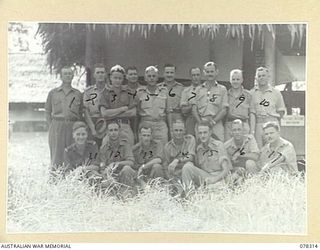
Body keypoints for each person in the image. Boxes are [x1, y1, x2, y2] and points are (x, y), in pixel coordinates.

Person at [45, 65, 83, 167]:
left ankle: (72, 177)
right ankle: (55, 178)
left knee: (72, 151)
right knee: (57, 153)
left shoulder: (78, 94)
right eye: (65, 74)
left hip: (73, 126)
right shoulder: (53, 93)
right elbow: (47, 111)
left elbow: (81, 112)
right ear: (61, 76)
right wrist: (52, 126)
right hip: (57, 125)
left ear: (73, 76)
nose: (67, 76)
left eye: (69, 74)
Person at [181, 120, 231, 188]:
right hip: (206, 177)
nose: (202, 135)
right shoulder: (199, 149)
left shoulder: (218, 145)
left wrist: (214, 179)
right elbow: (199, 169)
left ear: (210, 132)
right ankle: (189, 194)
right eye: (200, 133)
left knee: (212, 187)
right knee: (187, 166)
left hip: (219, 178)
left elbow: (226, 170)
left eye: (205, 133)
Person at [99, 65, 137, 146]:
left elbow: (133, 112)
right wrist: (122, 109)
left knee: (128, 150)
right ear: (111, 78)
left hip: (125, 126)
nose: (117, 80)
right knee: (107, 150)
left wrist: (111, 114)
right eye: (115, 78)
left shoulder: (128, 92)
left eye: (119, 78)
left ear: (123, 79)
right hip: (110, 126)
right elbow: (104, 113)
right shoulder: (105, 93)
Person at [250, 67, 286, 148]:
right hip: (258, 124)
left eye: (263, 75)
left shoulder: (276, 92)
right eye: (259, 76)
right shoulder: (252, 93)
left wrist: (273, 121)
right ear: (256, 78)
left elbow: (281, 111)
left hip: (272, 122)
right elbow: (251, 112)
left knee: (274, 148)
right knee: (259, 150)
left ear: (268, 77)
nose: (261, 78)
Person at [192, 62, 228, 142]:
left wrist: (214, 122)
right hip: (201, 122)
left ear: (216, 72)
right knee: (200, 147)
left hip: (216, 123)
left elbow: (224, 109)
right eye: (207, 72)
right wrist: (200, 123)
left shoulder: (222, 89)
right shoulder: (198, 89)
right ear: (204, 73)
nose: (210, 74)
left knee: (219, 146)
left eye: (212, 71)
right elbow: (194, 109)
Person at [137, 66, 169, 147]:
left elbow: (168, 112)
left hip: (160, 124)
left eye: (154, 76)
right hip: (145, 124)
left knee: (163, 148)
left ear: (157, 78)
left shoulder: (164, 91)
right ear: (145, 78)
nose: (151, 78)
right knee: (145, 148)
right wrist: (135, 130)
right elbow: (137, 113)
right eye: (149, 76)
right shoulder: (140, 92)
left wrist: (170, 128)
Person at [99, 121, 137, 188]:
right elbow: (102, 167)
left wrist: (117, 164)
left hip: (124, 174)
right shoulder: (103, 148)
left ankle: (127, 192)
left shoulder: (125, 145)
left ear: (119, 131)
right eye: (111, 130)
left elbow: (131, 162)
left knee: (127, 168)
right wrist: (106, 173)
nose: (113, 133)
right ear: (107, 132)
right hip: (111, 176)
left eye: (115, 130)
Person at [83, 63, 108, 147]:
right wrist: (92, 128)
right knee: (92, 150)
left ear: (105, 75)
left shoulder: (110, 90)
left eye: (102, 72)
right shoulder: (89, 91)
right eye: (98, 73)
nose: (100, 75)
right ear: (94, 75)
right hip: (92, 122)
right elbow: (85, 111)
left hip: (108, 122)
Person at [225, 69, 252, 141]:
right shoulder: (226, 94)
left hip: (244, 124)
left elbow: (251, 113)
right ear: (230, 80)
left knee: (244, 149)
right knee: (229, 148)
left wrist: (252, 130)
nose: (235, 81)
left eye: (238, 79)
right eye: (233, 79)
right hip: (230, 125)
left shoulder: (248, 94)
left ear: (242, 80)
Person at [158, 64, 184, 139]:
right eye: (167, 72)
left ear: (175, 74)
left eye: (171, 73)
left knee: (176, 138)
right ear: (163, 74)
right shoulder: (158, 87)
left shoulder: (181, 87)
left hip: (177, 116)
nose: (169, 75)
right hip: (162, 117)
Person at [180, 67, 202, 136]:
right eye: (193, 75)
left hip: (203, 118)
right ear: (190, 76)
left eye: (197, 75)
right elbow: (183, 110)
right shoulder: (186, 91)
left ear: (201, 75)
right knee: (191, 140)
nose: (196, 77)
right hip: (191, 119)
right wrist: (192, 106)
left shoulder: (206, 89)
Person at [125, 66, 143, 143]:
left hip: (141, 120)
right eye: (131, 74)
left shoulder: (143, 89)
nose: (133, 76)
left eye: (135, 74)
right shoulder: (122, 90)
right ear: (126, 76)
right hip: (127, 120)